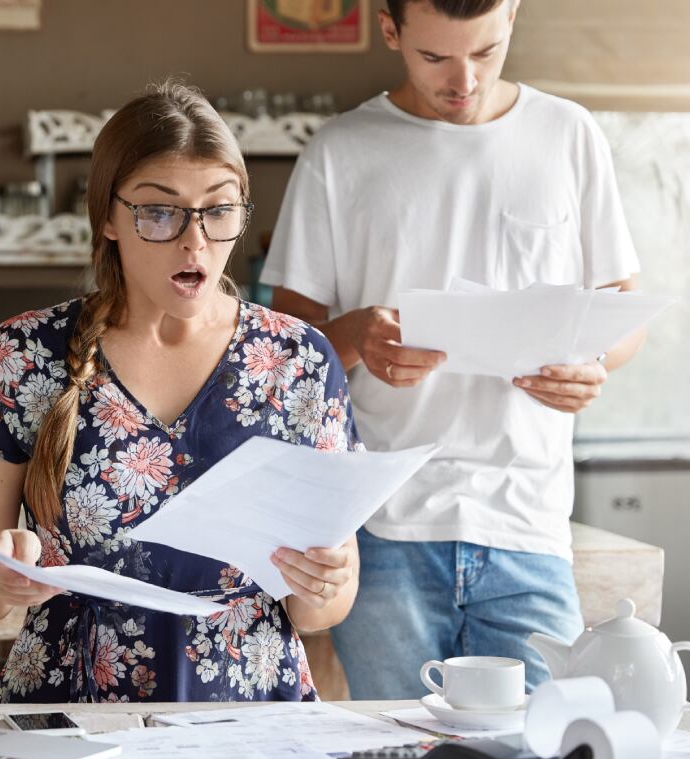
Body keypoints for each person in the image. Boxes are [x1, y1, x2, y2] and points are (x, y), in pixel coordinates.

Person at [261, 0, 645, 699]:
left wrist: (593, 364)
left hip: (528, 522)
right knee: (399, 752)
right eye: (435, 57)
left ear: (512, 18)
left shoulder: (568, 133)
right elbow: (285, 345)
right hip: (383, 528)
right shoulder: (340, 150)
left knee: (542, 744)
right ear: (390, 30)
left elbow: (624, 312)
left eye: (485, 52)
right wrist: (357, 335)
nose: (463, 81)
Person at [0, 81, 362, 703]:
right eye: (160, 212)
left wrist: (326, 582)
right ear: (108, 218)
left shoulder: (300, 360)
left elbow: (322, 609)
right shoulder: (26, 352)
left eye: (219, 209)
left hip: (252, 717)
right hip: (71, 712)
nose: (196, 241)